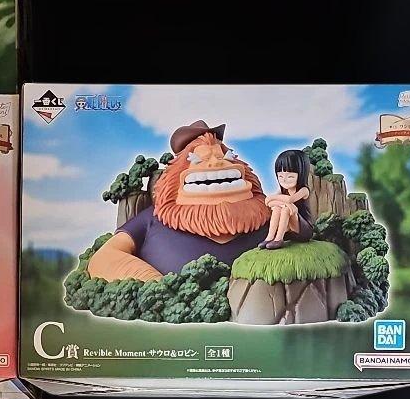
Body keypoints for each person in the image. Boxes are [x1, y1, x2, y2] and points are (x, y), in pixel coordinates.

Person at [88, 121, 272, 282]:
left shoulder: (270, 215)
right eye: (199, 159)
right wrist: (155, 284)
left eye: (222, 156)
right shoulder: (152, 219)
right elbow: (105, 257)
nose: (216, 163)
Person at [259, 149, 316, 249]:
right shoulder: (283, 191)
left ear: (301, 175)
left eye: (290, 177)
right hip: (290, 231)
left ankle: (278, 239)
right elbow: (268, 203)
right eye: (280, 176)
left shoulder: (303, 190)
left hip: (304, 231)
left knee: (286, 209)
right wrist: (283, 203)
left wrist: (275, 199)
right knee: (277, 209)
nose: (284, 180)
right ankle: (270, 237)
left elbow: (289, 200)